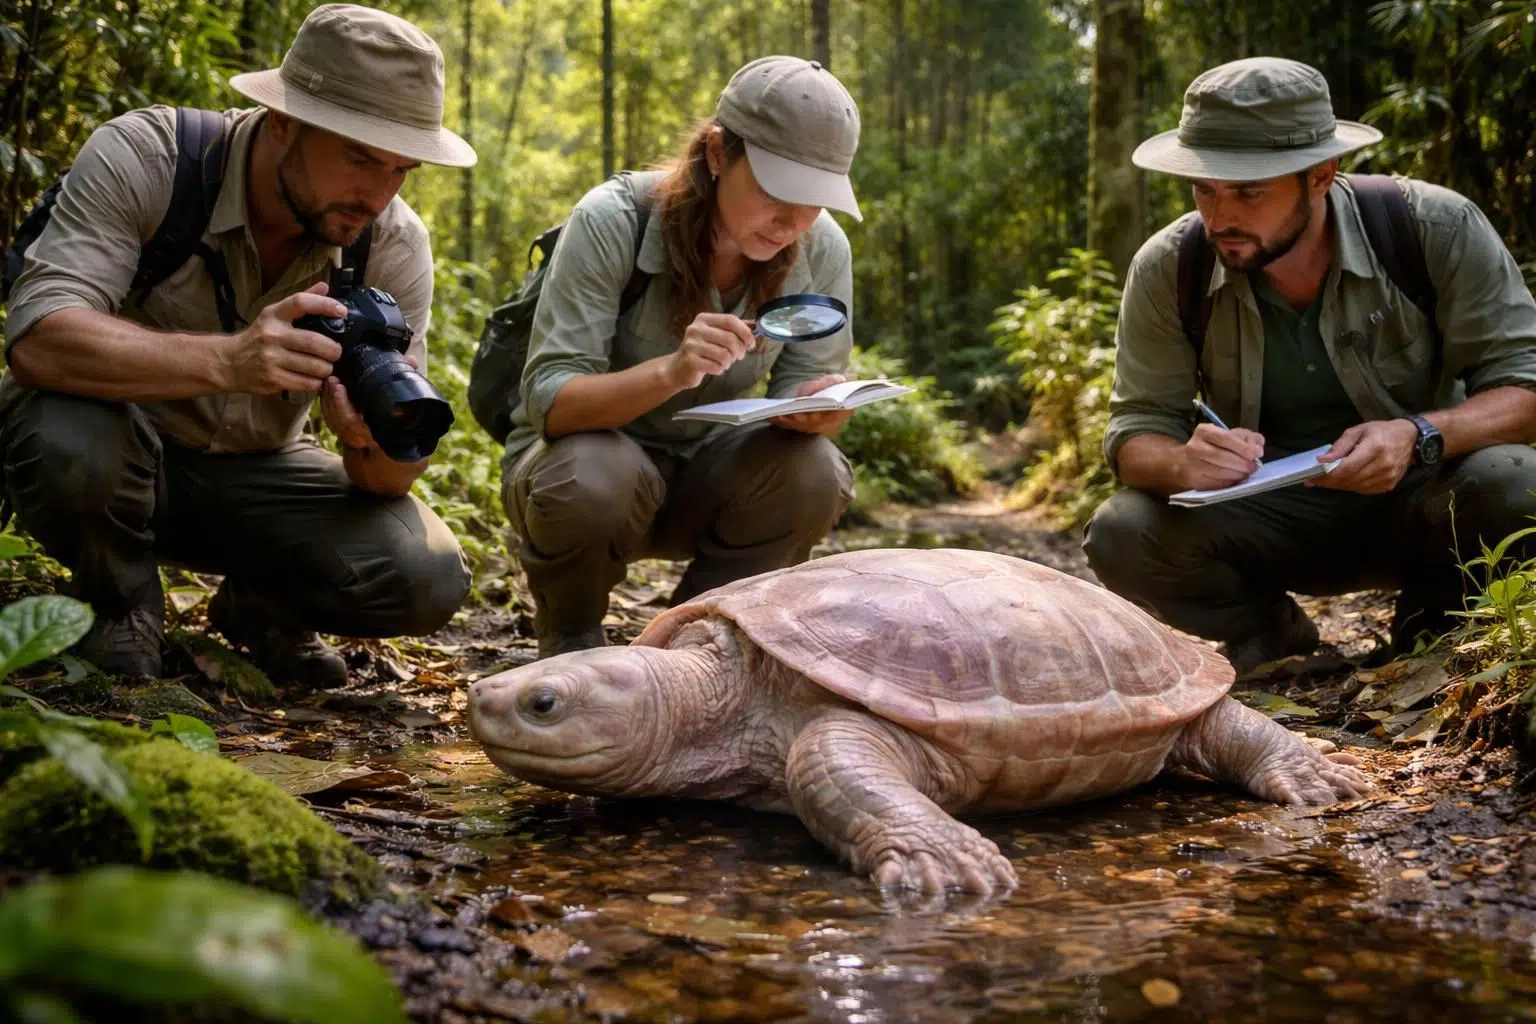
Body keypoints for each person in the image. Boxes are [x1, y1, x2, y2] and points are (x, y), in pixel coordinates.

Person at [0, 4, 476, 686]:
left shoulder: (390, 242)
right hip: (121, 451)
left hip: (259, 473)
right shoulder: (151, 159)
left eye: (402, 169)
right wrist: (228, 360)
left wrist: (365, 440)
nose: (378, 194)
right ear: (285, 121)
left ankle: (261, 605)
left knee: (424, 574)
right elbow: (39, 339)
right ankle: (117, 607)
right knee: (67, 433)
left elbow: (392, 475)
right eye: (360, 158)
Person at [1082, 57, 1536, 675]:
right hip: (1267, 521)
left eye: (1248, 191)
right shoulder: (1170, 268)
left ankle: (1431, 631)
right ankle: (1269, 632)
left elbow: (1526, 386)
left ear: (1321, 175)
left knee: (1518, 480)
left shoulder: (1433, 228)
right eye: (1204, 189)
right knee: (1121, 532)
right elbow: (1135, 431)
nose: (1220, 218)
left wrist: (1418, 434)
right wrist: (1182, 462)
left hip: (1425, 501)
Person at [500, 56, 861, 659]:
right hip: (581, 477)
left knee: (814, 470)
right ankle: (571, 640)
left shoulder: (820, 249)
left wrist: (817, 410)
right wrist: (673, 371)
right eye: (778, 191)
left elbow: (801, 393)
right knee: (595, 473)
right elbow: (551, 403)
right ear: (718, 154)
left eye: (816, 201)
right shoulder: (614, 220)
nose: (794, 222)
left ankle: (696, 644)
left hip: (707, 476)